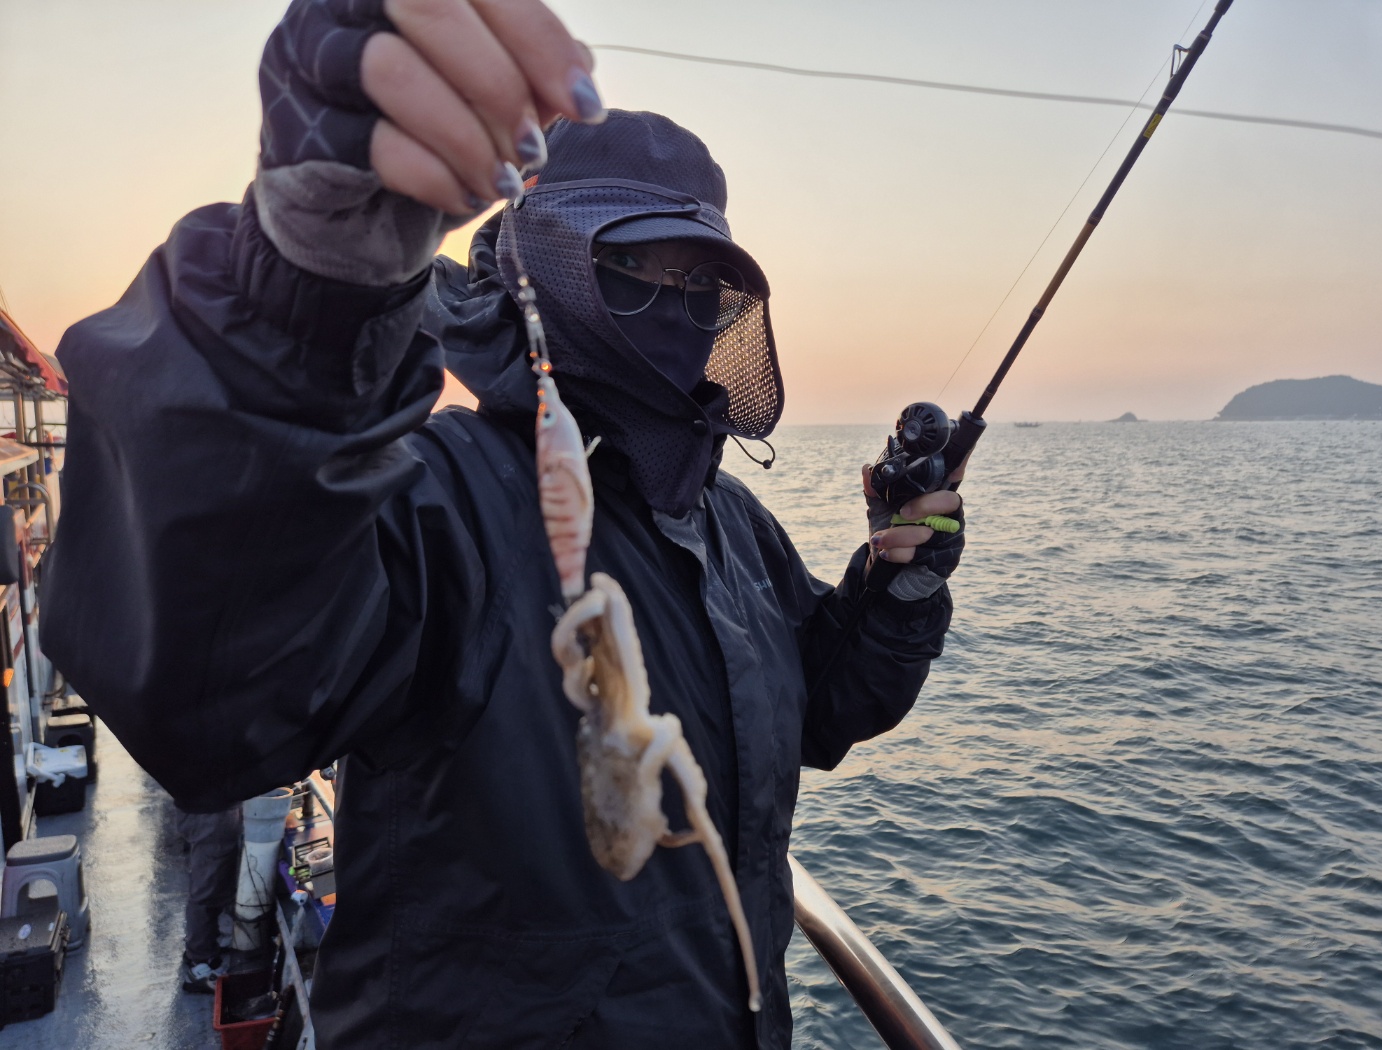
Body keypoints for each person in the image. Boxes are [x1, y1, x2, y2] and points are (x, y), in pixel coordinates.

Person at [40, 1, 967, 1047]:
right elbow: (218, 687)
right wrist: (303, 299)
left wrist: (895, 584)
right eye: (637, 268)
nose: (679, 304)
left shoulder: (734, 527)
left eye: (702, 284)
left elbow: (817, 715)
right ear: (548, 269)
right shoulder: (439, 496)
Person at [172, 802, 241, 993]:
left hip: (210, 807)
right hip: (210, 811)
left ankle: (203, 948)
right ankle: (200, 964)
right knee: (207, 889)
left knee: (216, 882)